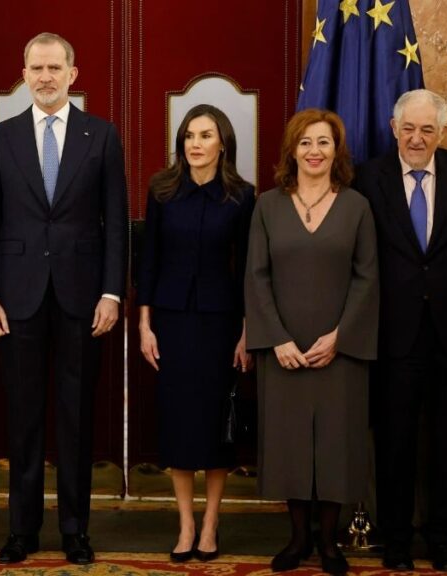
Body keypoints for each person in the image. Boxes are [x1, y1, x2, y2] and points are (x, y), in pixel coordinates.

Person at [0, 32, 128, 565]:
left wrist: (112, 293)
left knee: (76, 419)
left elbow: (115, 224)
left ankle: (74, 530)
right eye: (36, 68)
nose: (45, 77)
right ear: (24, 74)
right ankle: (21, 531)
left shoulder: (101, 135)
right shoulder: (0, 138)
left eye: (54, 68)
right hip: (16, 300)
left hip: (82, 299)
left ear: (72, 74)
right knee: (23, 419)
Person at [353, 89, 447, 572]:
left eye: (427, 129)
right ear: (393, 128)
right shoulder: (368, 178)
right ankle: (395, 540)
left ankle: (442, 538)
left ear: (442, 131)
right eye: (408, 128)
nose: (416, 138)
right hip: (392, 333)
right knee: (395, 441)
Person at [245, 109, 378, 576]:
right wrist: (276, 339)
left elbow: (367, 278)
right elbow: (256, 276)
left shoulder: (357, 207)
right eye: (305, 142)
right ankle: (298, 538)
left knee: (336, 445)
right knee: (290, 445)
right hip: (284, 348)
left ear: (336, 151)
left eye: (323, 142)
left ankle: (328, 542)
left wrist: (341, 337)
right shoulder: (267, 206)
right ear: (292, 150)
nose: (314, 151)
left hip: (340, 348)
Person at [137, 104, 254, 562]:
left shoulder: (242, 196)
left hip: (220, 322)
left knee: (214, 426)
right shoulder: (162, 191)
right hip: (170, 321)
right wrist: (144, 324)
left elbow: (247, 269)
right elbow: (148, 261)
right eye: (189, 136)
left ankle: (211, 522)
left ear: (223, 143)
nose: (196, 144)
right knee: (179, 423)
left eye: (205, 135)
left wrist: (246, 332)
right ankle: (185, 523)